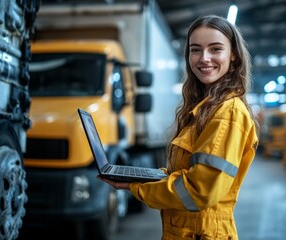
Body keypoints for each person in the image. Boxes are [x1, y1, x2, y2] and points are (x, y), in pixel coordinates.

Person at [99, 14, 259, 240]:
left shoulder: (228, 113)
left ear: (233, 55)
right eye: (195, 50)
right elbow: (184, 175)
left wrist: (137, 188)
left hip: (203, 232)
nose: (204, 58)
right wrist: (141, 178)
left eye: (215, 49)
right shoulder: (203, 108)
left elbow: (198, 191)